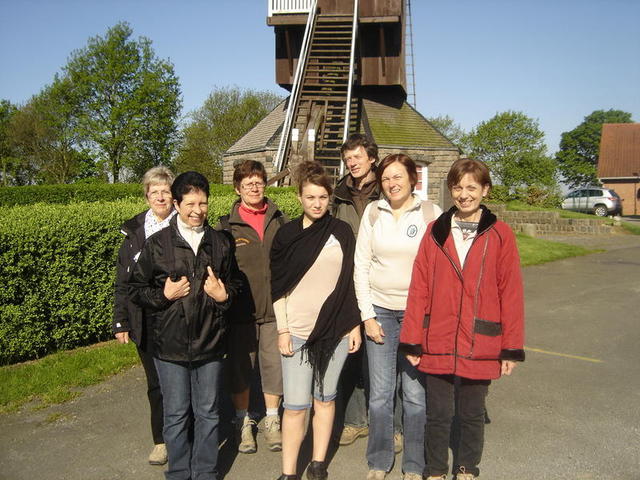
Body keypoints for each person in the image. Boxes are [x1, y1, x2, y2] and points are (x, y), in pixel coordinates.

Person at [399, 158, 525, 480]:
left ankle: (467, 467)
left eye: (472, 187)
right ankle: (436, 470)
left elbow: (510, 293)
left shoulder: (500, 235)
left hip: (480, 340)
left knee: (471, 414)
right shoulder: (435, 232)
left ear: (485, 190)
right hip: (437, 338)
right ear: (450, 189)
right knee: (438, 414)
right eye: (458, 187)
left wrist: (510, 348)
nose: (464, 194)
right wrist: (412, 338)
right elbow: (419, 288)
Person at [129, 171, 242, 480]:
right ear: (176, 204)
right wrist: (162, 295)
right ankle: (179, 473)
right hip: (169, 347)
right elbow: (136, 290)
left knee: (208, 413)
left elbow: (235, 285)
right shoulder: (158, 245)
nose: (197, 210)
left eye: (203, 203)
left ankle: (205, 472)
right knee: (176, 415)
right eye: (190, 203)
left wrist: (224, 294)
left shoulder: (219, 243)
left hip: (210, 343)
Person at [271, 161, 362, 480]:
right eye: (311, 197)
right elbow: (277, 286)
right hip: (295, 332)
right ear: (299, 197)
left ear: (329, 198)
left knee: (325, 399)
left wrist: (354, 325)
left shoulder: (342, 232)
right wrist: (282, 329)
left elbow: (351, 281)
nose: (317, 203)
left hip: (335, 332)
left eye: (323, 197)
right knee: (295, 406)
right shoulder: (287, 235)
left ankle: (319, 462)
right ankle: (289, 471)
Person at [354, 154, 442, 480]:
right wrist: (367, 315)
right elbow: (361, 264)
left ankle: (415, 465)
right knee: (379, 394)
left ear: (412, 179)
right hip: (380, 312)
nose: (392, 183)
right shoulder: (373, 212)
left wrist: (430, 318)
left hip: (417, 315)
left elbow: (442, 269)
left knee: (416, 396)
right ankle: (379, 460)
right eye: (386, 178)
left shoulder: (432, 213)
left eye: (398, 177)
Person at [216, 160, 287, 454]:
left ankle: (272, 421)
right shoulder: (225, 227)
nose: (254, 187)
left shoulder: (280, 220)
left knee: (274, 368)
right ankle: (243, 422)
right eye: (247, 183)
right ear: (237, 188)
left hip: (274, 311)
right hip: (241, 313)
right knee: (241, 369)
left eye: (258, 181)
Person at [112, 166, 176, 465]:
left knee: (183, 382)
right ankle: (161, 440)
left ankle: (184, 436)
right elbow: (123, 281)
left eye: (165, 191)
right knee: (156, 384)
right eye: (155, 192)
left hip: (178, 317)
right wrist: (121, 320)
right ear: (147, 195)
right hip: (145, 319)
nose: (160, 197)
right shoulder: (135, 233)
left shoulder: (184, 224)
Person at [331, 133, 380, 448]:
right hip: (348, 283)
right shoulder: (337, 194)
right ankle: (354, 420)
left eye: (357, 157)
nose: (352, 163)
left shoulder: (387, 190)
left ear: (371, 158)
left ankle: (385, 421)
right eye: (348, 159)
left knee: (382, 356)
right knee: (351, 354)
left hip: (381, 283)